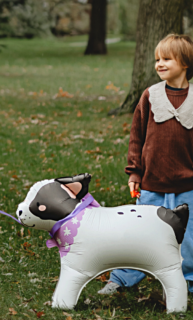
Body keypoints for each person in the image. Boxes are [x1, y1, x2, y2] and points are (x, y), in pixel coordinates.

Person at [98, 34, 193, 295]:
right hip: (153, 184)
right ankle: (122, 279)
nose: (159, 64)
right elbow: (136, 137)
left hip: (188, 187)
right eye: (157, 59)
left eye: (167, 59)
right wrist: (135, 173)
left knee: (187, 240)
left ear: (185, 62)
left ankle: (181, 282)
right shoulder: (150, 96)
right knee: (140, 236)